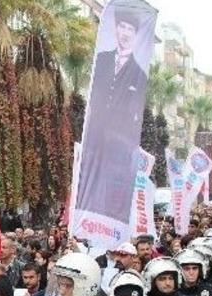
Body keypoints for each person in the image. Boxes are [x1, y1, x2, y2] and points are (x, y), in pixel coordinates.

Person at [76, 6, 148, 223]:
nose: (124, 33)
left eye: (130, 29)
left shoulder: (139, 73)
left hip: (119, 145)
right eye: (121, 26)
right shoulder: (102, 61)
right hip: (94, 139)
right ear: (116, 29)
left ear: (136, 36)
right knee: (89, 184)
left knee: (112, 190)